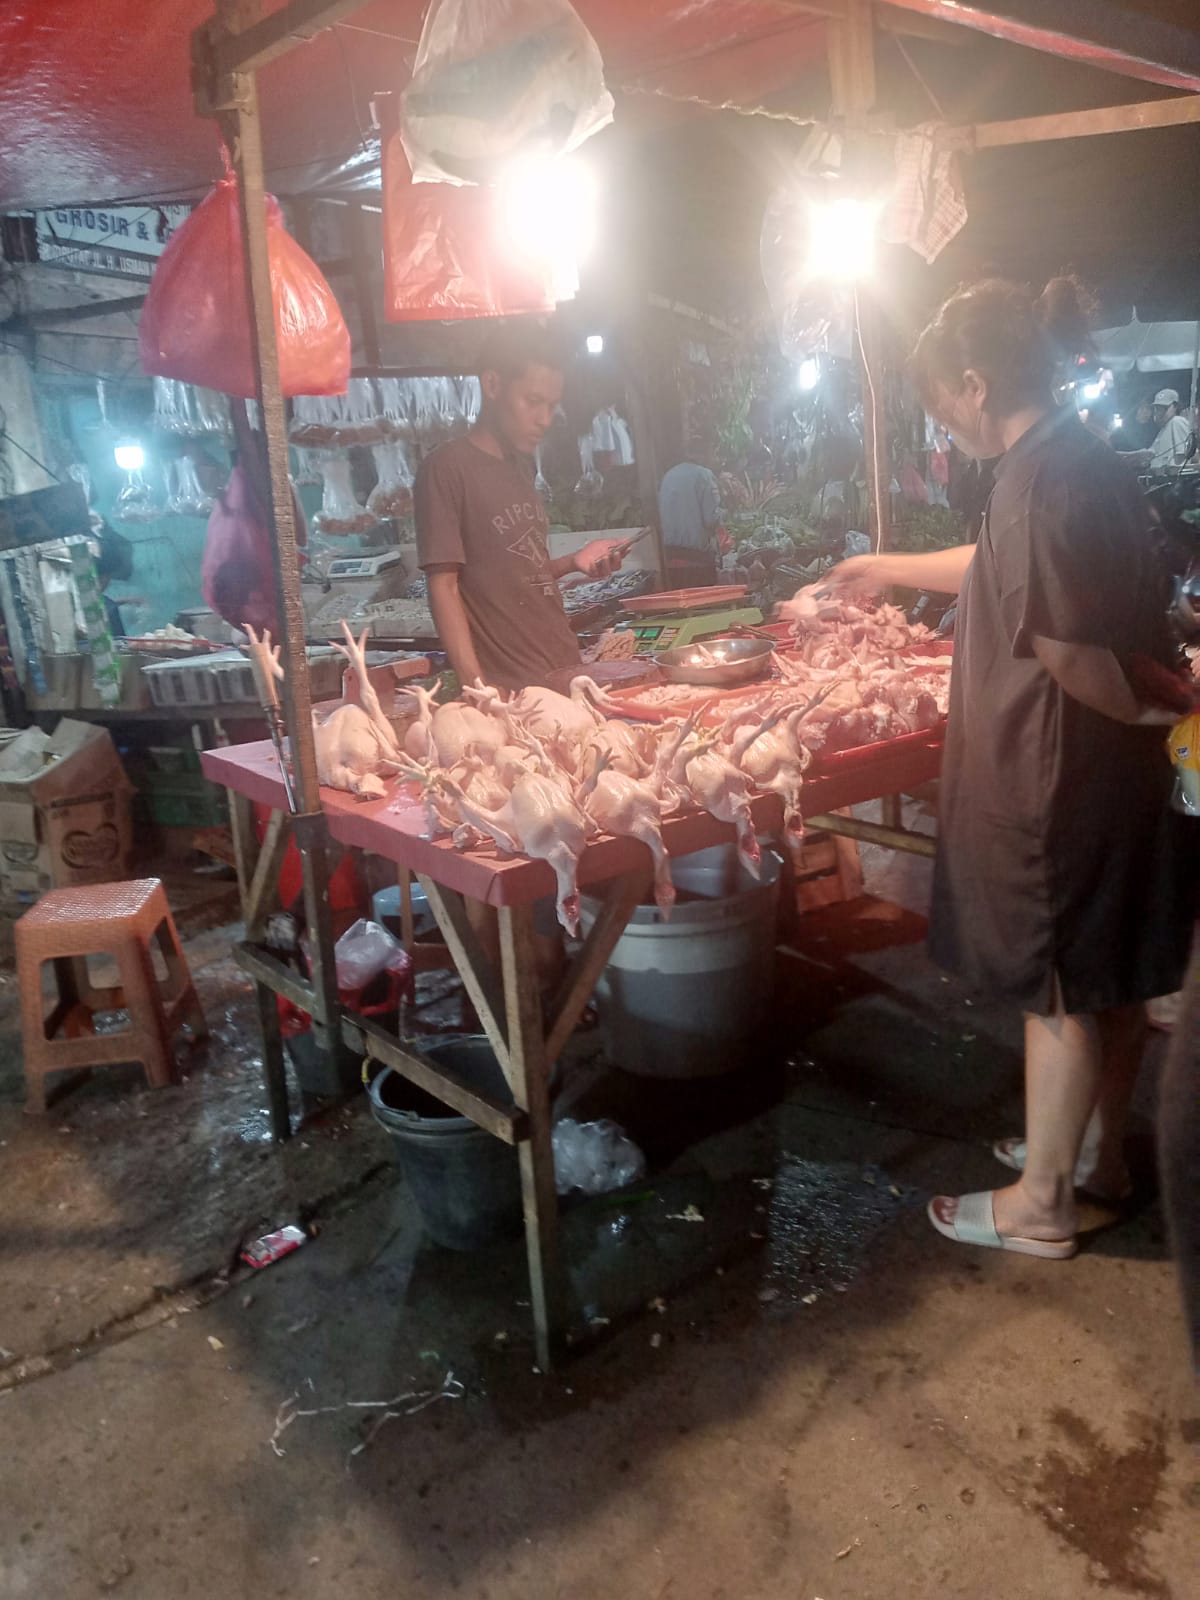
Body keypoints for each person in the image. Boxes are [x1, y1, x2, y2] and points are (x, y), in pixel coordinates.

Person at [817, 277, 1195, 1258]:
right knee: (1105, 979)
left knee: (1059, 992)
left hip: (1057, 783)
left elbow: (1078, 659)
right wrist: (886, 565)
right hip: (1110, 782)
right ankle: (1097, 1165)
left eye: (942, 401)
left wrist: (1170, 705)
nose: (942, 419)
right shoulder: (1077, 460)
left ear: (975, 384)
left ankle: (1040, 1203)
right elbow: (995, 565)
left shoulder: (1037, 481)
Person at [415, 326, 627, 692]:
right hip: (513, 691)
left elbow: (521, 573)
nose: (545, 418)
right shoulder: (447, 468)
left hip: (564, 671)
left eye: (551, 405)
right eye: (533, 401)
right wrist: (477, 689)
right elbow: (444, 587)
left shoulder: (521, 468)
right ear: (493, 385)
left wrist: (575, 560)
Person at [658, 458, 722, 586]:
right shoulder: (704, 475)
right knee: (704, 604)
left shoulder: (668, 476)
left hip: (669, 558)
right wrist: (724, 514)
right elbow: (711, 520)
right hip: (697, 560)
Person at [1120, 388, 1196, 471]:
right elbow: (1148, 457)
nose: (1158, 411)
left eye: (1163, 408)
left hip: (1171, 481)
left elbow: (1184, 460)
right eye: (1156, 407)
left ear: (1175, 407)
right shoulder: (1164, 429)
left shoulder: (1177, 422)